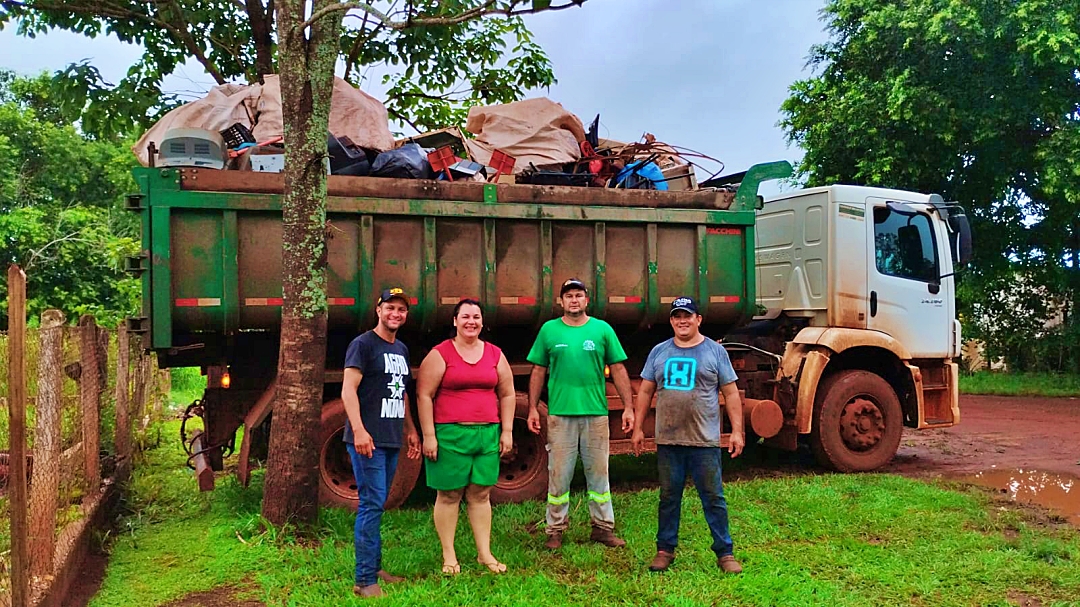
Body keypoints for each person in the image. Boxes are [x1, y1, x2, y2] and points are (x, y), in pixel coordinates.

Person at [630, 296, 745, 574]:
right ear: (671, 321)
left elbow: (730, 393)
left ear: (698, 320)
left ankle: (725, 552)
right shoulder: (659, 351)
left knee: (713, 497)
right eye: (677, 316)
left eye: (688, 316)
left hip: (704, 441)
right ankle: (664, 550)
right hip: (669, 440)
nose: (683, 321)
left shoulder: (715, 353)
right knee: (669, 497)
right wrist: (637, 428)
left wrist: (737, 431)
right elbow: (646, 391)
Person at [526, 278, 636, 549]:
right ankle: (555, 530)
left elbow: (619, 369)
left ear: (586, 300)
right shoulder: (549, 331)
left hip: (595, 414)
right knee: (558, 474)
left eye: (578, 295)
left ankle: (602, 528)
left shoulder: (602, 330)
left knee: (599, 473)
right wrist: (531, 408)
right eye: (568, 296)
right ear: (560, 302)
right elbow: (538, 371)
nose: (573, 300)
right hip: (560, 416)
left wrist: (629, 407)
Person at [416, 299, 516, 575]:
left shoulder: (495, 354)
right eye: (465, 316)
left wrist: (506, 430)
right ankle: (449, 556)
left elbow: (507, 393)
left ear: (482, 322)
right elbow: (424, 395)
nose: (471, 322)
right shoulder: (441, 354)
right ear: (455, 321)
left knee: (481, 493)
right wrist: (429, 436)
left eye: (476, 317)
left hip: (486, 434)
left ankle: (485, 554)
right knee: (448, 494)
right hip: (450, 434)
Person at [341, 288, 422, 598]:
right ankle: (364, 581)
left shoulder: (400, 349)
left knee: (379, 503)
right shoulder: (362, 345)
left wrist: (410, 429)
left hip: (390, 438)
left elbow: (400, 393)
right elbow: (349, 390)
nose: (395, 314)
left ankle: (375, 569)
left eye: (401, 309)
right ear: (378, 310)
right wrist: (359, 431)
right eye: (390, 307)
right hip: (368, 440)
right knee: (371, 504)